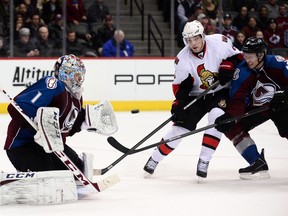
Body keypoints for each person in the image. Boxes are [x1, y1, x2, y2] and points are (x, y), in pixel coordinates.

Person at [143, 20, 242, 178]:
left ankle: (204, 160)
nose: (193, 43)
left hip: (221, 92)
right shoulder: (182, 59)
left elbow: (239, 58)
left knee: (216, 119)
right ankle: (154, 159)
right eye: (189, 40)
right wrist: (179, 105)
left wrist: (228, 65)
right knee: (179, 129)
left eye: (196, 38)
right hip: (197, 96)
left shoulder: (219, 42)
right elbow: (182, 86)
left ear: (202, 35)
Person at [4, 54, 117, 179]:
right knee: (49, 174)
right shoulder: (54, 85)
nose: (80, 79)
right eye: (76, 75)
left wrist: (84, 122)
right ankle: (26, 171)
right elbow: (15, 108)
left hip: (49, 147)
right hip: (23, 146)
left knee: (77, 170)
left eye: (81, 76)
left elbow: (65, 130)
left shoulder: (77, 99)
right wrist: (37, 121)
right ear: (65, 73)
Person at [215, 37, 288, 179]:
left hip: (281, 106)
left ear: (261, 54)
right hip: (258, 109)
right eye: (245, 55)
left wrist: (285, 94)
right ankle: (257, 162)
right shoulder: (242, 71)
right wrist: (230, 117)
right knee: (232, 128)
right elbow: (238, 99)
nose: (247, 59)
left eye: (250, 56)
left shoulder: (276, 63)